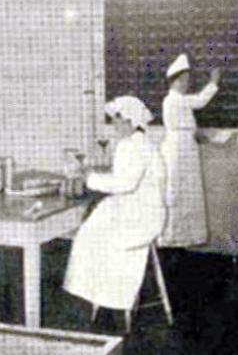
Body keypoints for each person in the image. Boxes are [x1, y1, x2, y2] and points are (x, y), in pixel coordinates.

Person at [63, 96, 167, 317]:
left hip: (140, 215)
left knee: (90, 235)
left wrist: (90, 178)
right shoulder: (141, 142)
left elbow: (124, 183)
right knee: (92, 226)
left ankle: (105, 295)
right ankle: (101, 293)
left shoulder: (132, 147)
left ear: (130, 121)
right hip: (143, 208)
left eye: (117, 120)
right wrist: (95, 176)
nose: (114, 125)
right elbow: (124, 178)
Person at [159, 54, 221, 247]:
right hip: (177, 150)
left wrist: (194, 134)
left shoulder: (179, 100)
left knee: (189, 191)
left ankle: (188, 235)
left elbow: (185, 124)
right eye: (185, 79)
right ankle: (172, 236)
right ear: (176, 80)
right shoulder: (173, 99)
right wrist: (213, 82)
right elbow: (201, 101)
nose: (188, 83)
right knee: (177, 191)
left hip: (185, 146)